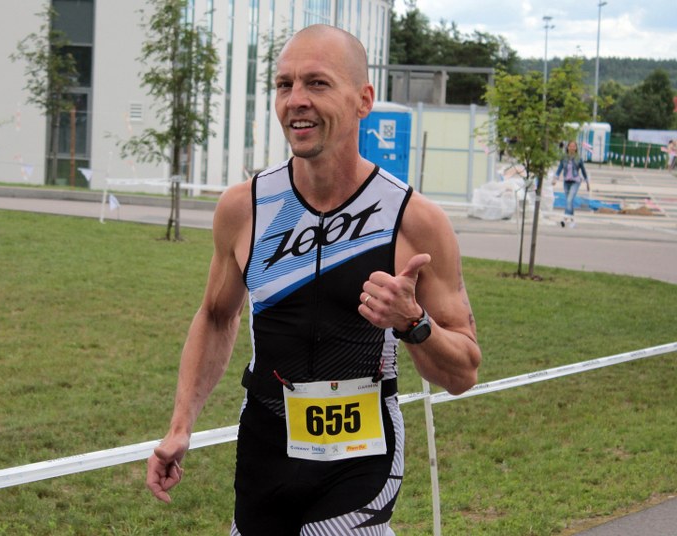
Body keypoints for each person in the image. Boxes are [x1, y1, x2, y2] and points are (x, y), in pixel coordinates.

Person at [146, 24, 482, 535]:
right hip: (264, 447)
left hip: (362, 458)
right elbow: (216, 317)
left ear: (363, 99)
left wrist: (413, 323)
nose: (296, 100)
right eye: (284, 85)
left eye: (317, 83)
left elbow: (463, 373)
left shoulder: (413, 220)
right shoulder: (245, 208)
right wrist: (180, 426)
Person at [554, 140, 590, 228]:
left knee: (569, 200)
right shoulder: (564, 158)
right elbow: (559, 169)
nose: (572, 148)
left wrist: (587, 183)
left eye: (574, 146)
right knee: (568, 201)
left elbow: (583, 171)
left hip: (576, 181)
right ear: (568, 147)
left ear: (576, 148)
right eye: (571, 146)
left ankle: (564, 219)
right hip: (566, 182)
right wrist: (555, 179)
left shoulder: (578, 158)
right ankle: (573, 221)